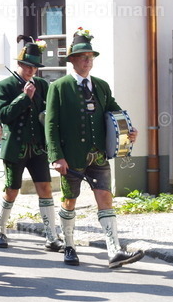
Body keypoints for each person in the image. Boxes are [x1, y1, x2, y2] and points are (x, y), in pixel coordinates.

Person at [46, 28, 143, 268]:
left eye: (90, 56)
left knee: (105, 198)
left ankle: (114, 250)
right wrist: (57, 157)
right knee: (70, 200)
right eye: (83, 56)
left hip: (98, 154)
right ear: (72, 60)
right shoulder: (59, 87)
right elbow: (51, 124)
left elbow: (115, 112)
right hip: (72, 157)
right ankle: (69, 246)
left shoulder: (101, 86)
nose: (88, 60)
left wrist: (128, 131)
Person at [0, 37, 62, 252]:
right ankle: (0, 229)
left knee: (45, 188)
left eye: (34, 67)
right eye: (27, 66)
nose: (31, 70)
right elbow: (4, 115)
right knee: (12, 189)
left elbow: (49, 114)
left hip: (38, 147)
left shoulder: (43, 85)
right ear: (20, 65)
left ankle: (51, 235)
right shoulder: (4, 86)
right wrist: (23, 98)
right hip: (15, 147)